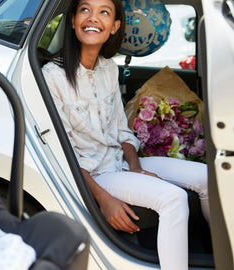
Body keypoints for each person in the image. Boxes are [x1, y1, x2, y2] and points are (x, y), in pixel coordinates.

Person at [41, 0, 210, 269]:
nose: (93, 18)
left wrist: (135, 167)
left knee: (207, 177)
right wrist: (104, 200)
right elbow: (63, 154)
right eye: (85, 9)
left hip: (120, 162)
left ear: (115, 26)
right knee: (173, 199)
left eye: (104, 12)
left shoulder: (108, 68)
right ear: (73, 20)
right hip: (94, 174)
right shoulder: (52, 76)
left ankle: (219, 254)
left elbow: (122, 131)